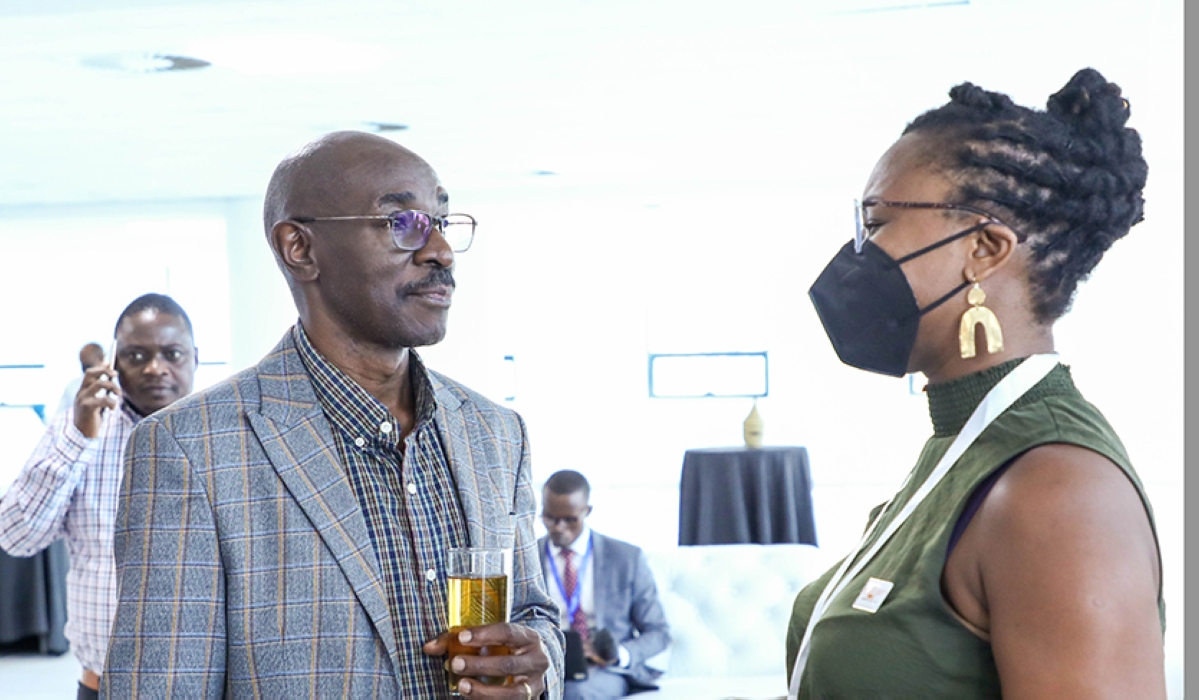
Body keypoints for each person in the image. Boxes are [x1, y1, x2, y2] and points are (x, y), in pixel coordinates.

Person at [102, 131, 563, 700]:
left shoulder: (495, 432)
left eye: (441, 222)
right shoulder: (188, 448)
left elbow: (533, 611)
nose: (440, 250)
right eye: (402, 223)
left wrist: (538, 661)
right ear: (300, 248)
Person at [788, 68, 1165, 698]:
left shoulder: (1056, 487)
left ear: (985, 248)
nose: (856, 256)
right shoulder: (964, 442)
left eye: (876, 224)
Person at [0, 293, 198, 700]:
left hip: (206, 684)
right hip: (105, 686)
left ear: (195, 357)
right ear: (113, 361)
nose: (156, 367)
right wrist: (77, 438)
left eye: (171, 353)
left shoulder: (228, 435)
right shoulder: (78, 432)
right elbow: (15, 536)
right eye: (136, 356)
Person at [538, 470, 671, 699]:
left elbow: (658, 633)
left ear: (587, 511)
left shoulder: (627, 558)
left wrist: (618, 654)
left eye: (570, 519)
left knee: (575, 692)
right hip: (544, 664)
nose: (559, 527)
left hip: (602, 668)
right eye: (550, 518)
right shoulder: (526, 558)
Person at [53, 342, 107, 417]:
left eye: (89, 365)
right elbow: (58, 418)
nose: (88, 372)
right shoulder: (72, 387)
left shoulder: (116, 385)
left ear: (102, 358)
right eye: (84, 366)